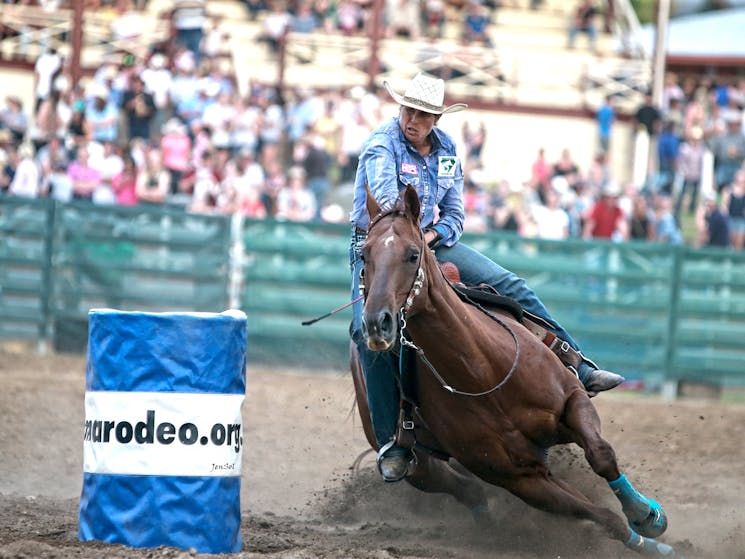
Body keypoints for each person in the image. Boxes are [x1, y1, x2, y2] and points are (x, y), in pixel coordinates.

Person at [348, 72, 624, 482]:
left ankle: (575, 362)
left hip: (429, 242)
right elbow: (388, 205)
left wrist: (430, 236)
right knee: (364, 330)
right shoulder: (381, 146)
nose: (413, 119)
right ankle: (392, 440)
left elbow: (455, 215)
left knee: (511, 285)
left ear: (436, 119)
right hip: (382, 248)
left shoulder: (446, 151)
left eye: (423, 114)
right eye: (409, 110)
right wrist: (412, 241)